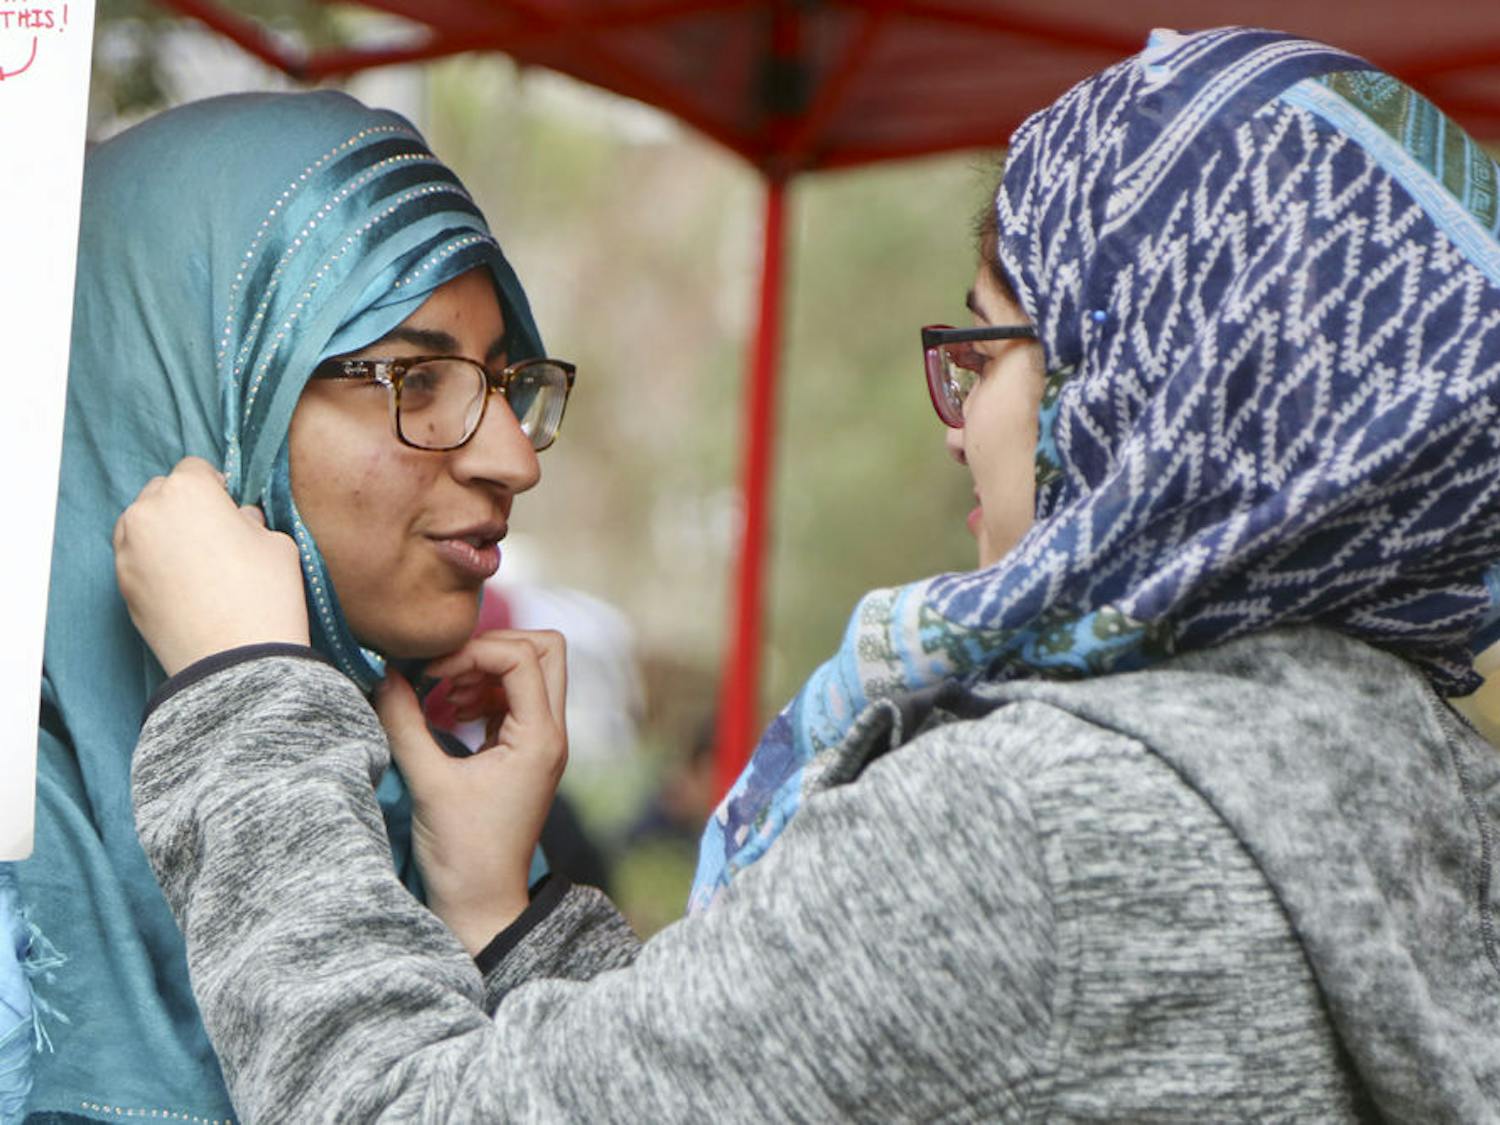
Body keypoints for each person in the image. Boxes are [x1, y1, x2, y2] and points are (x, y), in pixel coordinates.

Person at [119, 26, 1499, 1122]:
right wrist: (502, 911)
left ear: (1163, 385)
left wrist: (247, 699)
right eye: (414, 379)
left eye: (994, 346)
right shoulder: (1404, 798)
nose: (959, 414)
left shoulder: (1036, 831)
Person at [13, 91, 574, 1123]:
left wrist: (497, 918)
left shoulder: (434, 831)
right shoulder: (20, 863)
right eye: (417, 376)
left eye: (502, 379)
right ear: (200, 397)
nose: (510, 460)